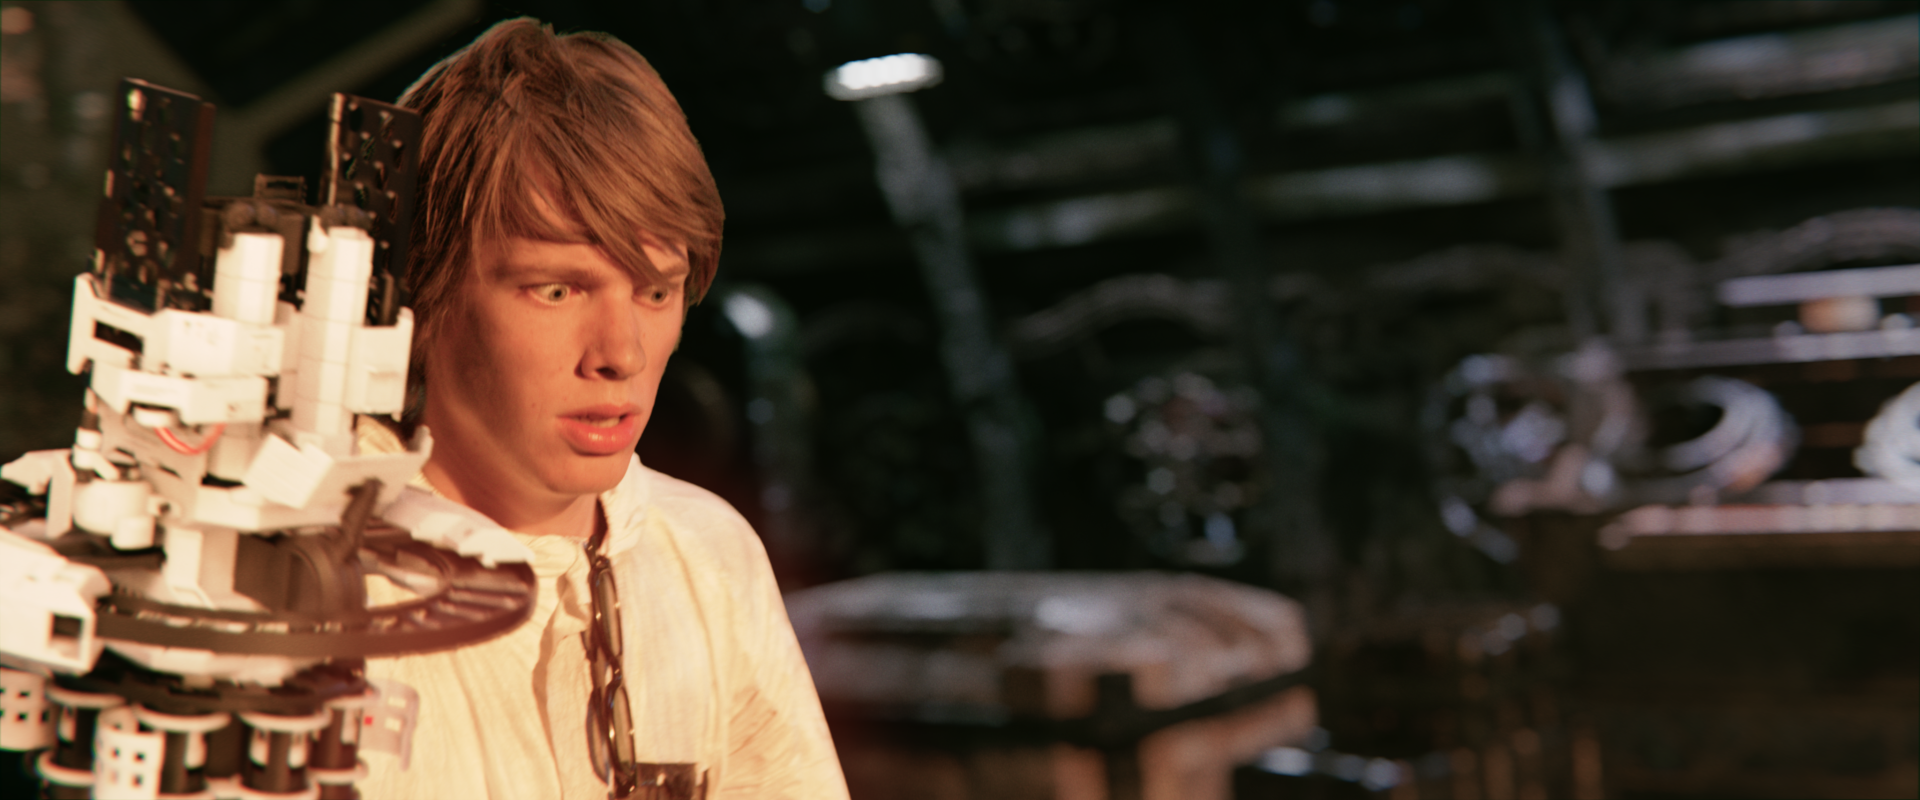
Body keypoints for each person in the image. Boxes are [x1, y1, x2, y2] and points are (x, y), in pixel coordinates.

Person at [351, 18, 848, 799]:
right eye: (556, 289)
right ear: (420, 291)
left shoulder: (706, 557)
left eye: (655, 291)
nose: (622, 353)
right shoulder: (279, 587)